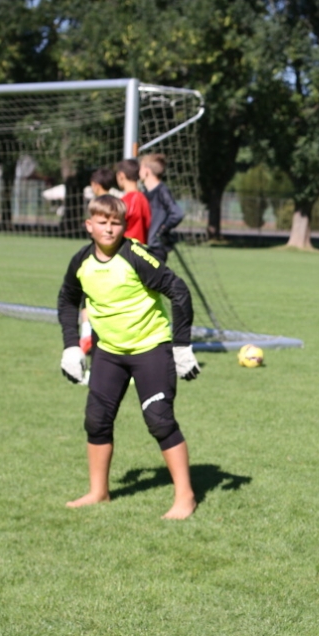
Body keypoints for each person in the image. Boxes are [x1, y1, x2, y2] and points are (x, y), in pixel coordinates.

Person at [57, 195, 201, 520]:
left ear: (124, 226)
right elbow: (68, 298)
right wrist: (70, 347)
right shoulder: (81, 261)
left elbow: (179, 291)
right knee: (96, 420)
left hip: (151, 348)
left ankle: (186, 497)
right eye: (103, 222)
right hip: (109, 352)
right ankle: (99, 492)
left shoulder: (135, 256)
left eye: (116, 223)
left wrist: (181, 345)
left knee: (159, 420)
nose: (109, 229)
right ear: (89, 225)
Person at [138, 153, 185, 265]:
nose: (138, 172)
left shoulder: (162, 191)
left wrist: (162, 230)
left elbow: (177, 213)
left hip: (156, 249)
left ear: (146, 171)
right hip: (144, 247)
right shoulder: (144, 193)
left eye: (140, 168)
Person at [114, 158, 152, 244]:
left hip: (127, 250)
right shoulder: (145, 199)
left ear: (121, 176)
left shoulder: (125, 202)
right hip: (143, 248)